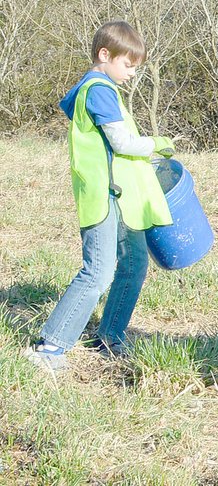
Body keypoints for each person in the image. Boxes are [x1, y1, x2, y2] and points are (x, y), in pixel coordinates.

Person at [25, 21, 176, 371]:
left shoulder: (102, 87)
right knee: (98, 271)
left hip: (123, 195)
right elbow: (121, 143)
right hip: (103, 196)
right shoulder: (98, 89)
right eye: (128, 65)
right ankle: (50, 347)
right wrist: (158, 144)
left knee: (135, 265)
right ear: (104, 55)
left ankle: (109, 338)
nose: (131, 74)